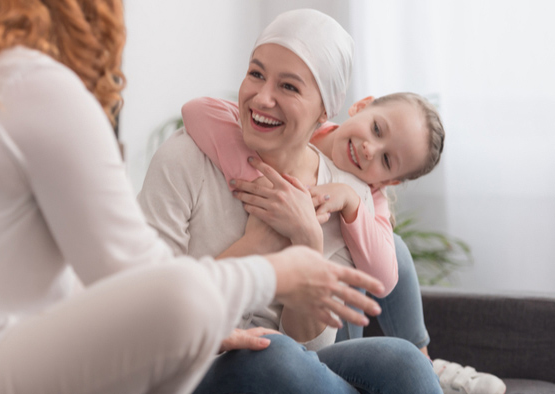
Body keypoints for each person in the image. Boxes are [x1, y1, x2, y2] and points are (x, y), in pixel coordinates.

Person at [0, 1, 391, 394]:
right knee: (268, 355)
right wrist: (279, 270)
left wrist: (298, 249)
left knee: (394, 361)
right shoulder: (34, 88)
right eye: (255, 73)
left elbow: (80, 288)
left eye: (291, 85)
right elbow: (153, 293)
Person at [138, 8, 442, 393]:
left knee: (407, 364)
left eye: (289, 87)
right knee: (276, 356)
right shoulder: (184, 158)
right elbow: (147, 312)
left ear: (324, 110)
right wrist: (255, 247)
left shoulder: (343, 195)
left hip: (292, 364)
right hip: (192, 361)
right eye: (256, 73)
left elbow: (310, 346)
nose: (262, 98)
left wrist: (307, 243)